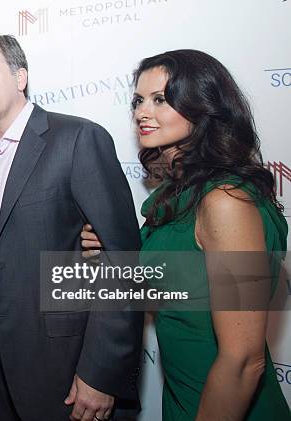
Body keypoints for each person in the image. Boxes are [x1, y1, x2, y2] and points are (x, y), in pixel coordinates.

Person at [81, 49, 290, 420]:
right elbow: (177, 287)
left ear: (203, 106)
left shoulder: (225, 201)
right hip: (183, 399)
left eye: (160, 99)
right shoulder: (176, 195)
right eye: (139, 101)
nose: (142, 112)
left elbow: (243, 361)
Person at [0, 34, 143, 421]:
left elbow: (122, 262)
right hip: (2, 354)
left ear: (20, 77)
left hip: (65, 359)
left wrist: (100, 372)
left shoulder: (77, 138)